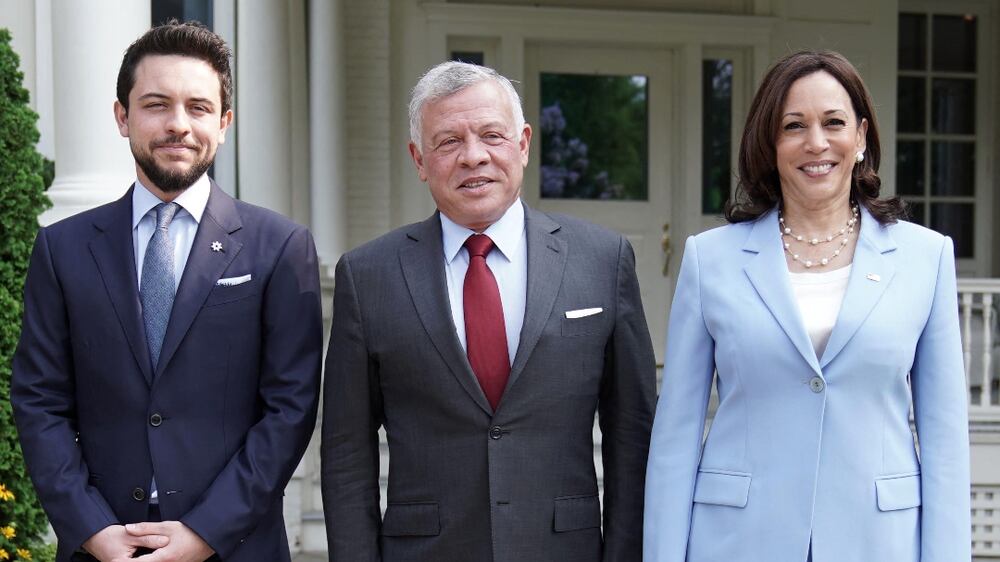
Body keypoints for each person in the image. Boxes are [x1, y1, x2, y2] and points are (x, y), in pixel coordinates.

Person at [321, 61, 657, 561]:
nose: (473, 156)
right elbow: (348, 453)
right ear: (419, 158)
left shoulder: (602, 260)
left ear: (522, 144)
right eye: (448, 141)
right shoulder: (368, 275)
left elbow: (632, 435)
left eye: (491, 136)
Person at [11, 21, 322, 562]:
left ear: (224, 123)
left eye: (198, 108)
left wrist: (204, 534)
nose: (178, 125)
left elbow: (289, 409)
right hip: (102, 546)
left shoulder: (281, 247)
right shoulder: (62, 249)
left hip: (235, 546)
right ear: (122, 116)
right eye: (156, 104)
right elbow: (39, 402)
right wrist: (94, 532)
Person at [643, 50, 970, 562]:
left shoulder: (926, 257)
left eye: (834, 122)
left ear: (861, 136)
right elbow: (675, 437)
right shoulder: (711, 259)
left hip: (879, 541)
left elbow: (946, 440)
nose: (816, 142)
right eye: (793, 125)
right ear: (770, 144)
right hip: (736, 541)